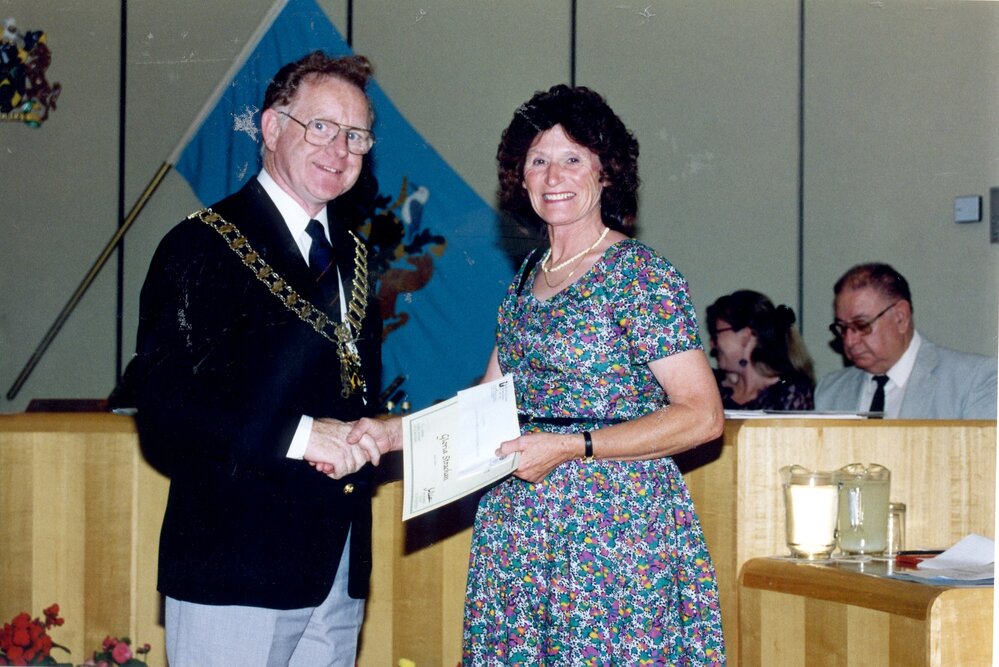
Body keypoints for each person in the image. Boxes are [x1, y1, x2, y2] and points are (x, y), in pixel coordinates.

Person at [347, 85, 726, 665]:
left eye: (573, 158)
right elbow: (486, 399)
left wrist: (572, 447)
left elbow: (702, 417)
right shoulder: (527, 274)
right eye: (538, 160)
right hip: (520, 533)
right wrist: (392, 433)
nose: (554, 175)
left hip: (615, 538)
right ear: (519, 178)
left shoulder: (640, 274)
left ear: (606, 173)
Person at [118, 52, 384, 666]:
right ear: (270, 128)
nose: (339, 149)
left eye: (356, 136)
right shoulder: (200, 244)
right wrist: (301, 437)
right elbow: (164, 407)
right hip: (234, 563)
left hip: (337, 567)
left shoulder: (357, 258)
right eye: (320, 127)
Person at [815, 262, 997, 419]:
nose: (849, 341)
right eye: (843, 328)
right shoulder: (830, 391)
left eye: (861, 325)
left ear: (901, 317)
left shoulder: (974, 380)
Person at [705, 290, 815, 410]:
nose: (712, 344)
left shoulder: (790, 392)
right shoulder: (712, 387)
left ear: (745, 336)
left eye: (716, 335)